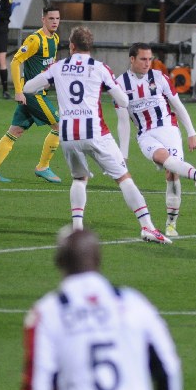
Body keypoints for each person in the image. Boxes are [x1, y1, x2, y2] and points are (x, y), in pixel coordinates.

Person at [22, 26, 172, 244]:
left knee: (79, 179)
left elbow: (28, 88)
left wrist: (50, 84)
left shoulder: (58, 67)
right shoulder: (100, 68)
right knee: (123, 178)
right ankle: (147, 227)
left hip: (68, 134)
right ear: (90, 46)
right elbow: (123, 101)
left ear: (71, 46)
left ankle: (77, 229)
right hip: (95, 131)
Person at [21, 227, 182, 390]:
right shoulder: (134, 303)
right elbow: (169, 369)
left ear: (59, 261)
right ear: (98, 259)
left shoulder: (47, 314)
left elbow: (36, 388)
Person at [116, 43, 196, 238]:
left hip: (168, 129)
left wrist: (191, 132)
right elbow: (123, 122)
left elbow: (178, 105)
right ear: (132, 59)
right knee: (163, 159)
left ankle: (171, 224)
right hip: (145, 135)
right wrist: (123, 154)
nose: (148, 63)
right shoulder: (120, 84)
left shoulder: (159, 77)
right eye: (143, 59)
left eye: (150, 59)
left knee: (172, 175)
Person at [0, 6, 63, 184]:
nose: (55, 22)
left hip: (37, 93)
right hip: (33, 94)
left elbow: (49, 66)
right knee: (60, 127)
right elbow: (16, 61)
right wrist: (18, 90)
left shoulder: (55, 39)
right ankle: (43, 167)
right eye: (51, 19)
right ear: (43, 19)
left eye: (57, 18)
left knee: (15, 131)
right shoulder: (35, 40)